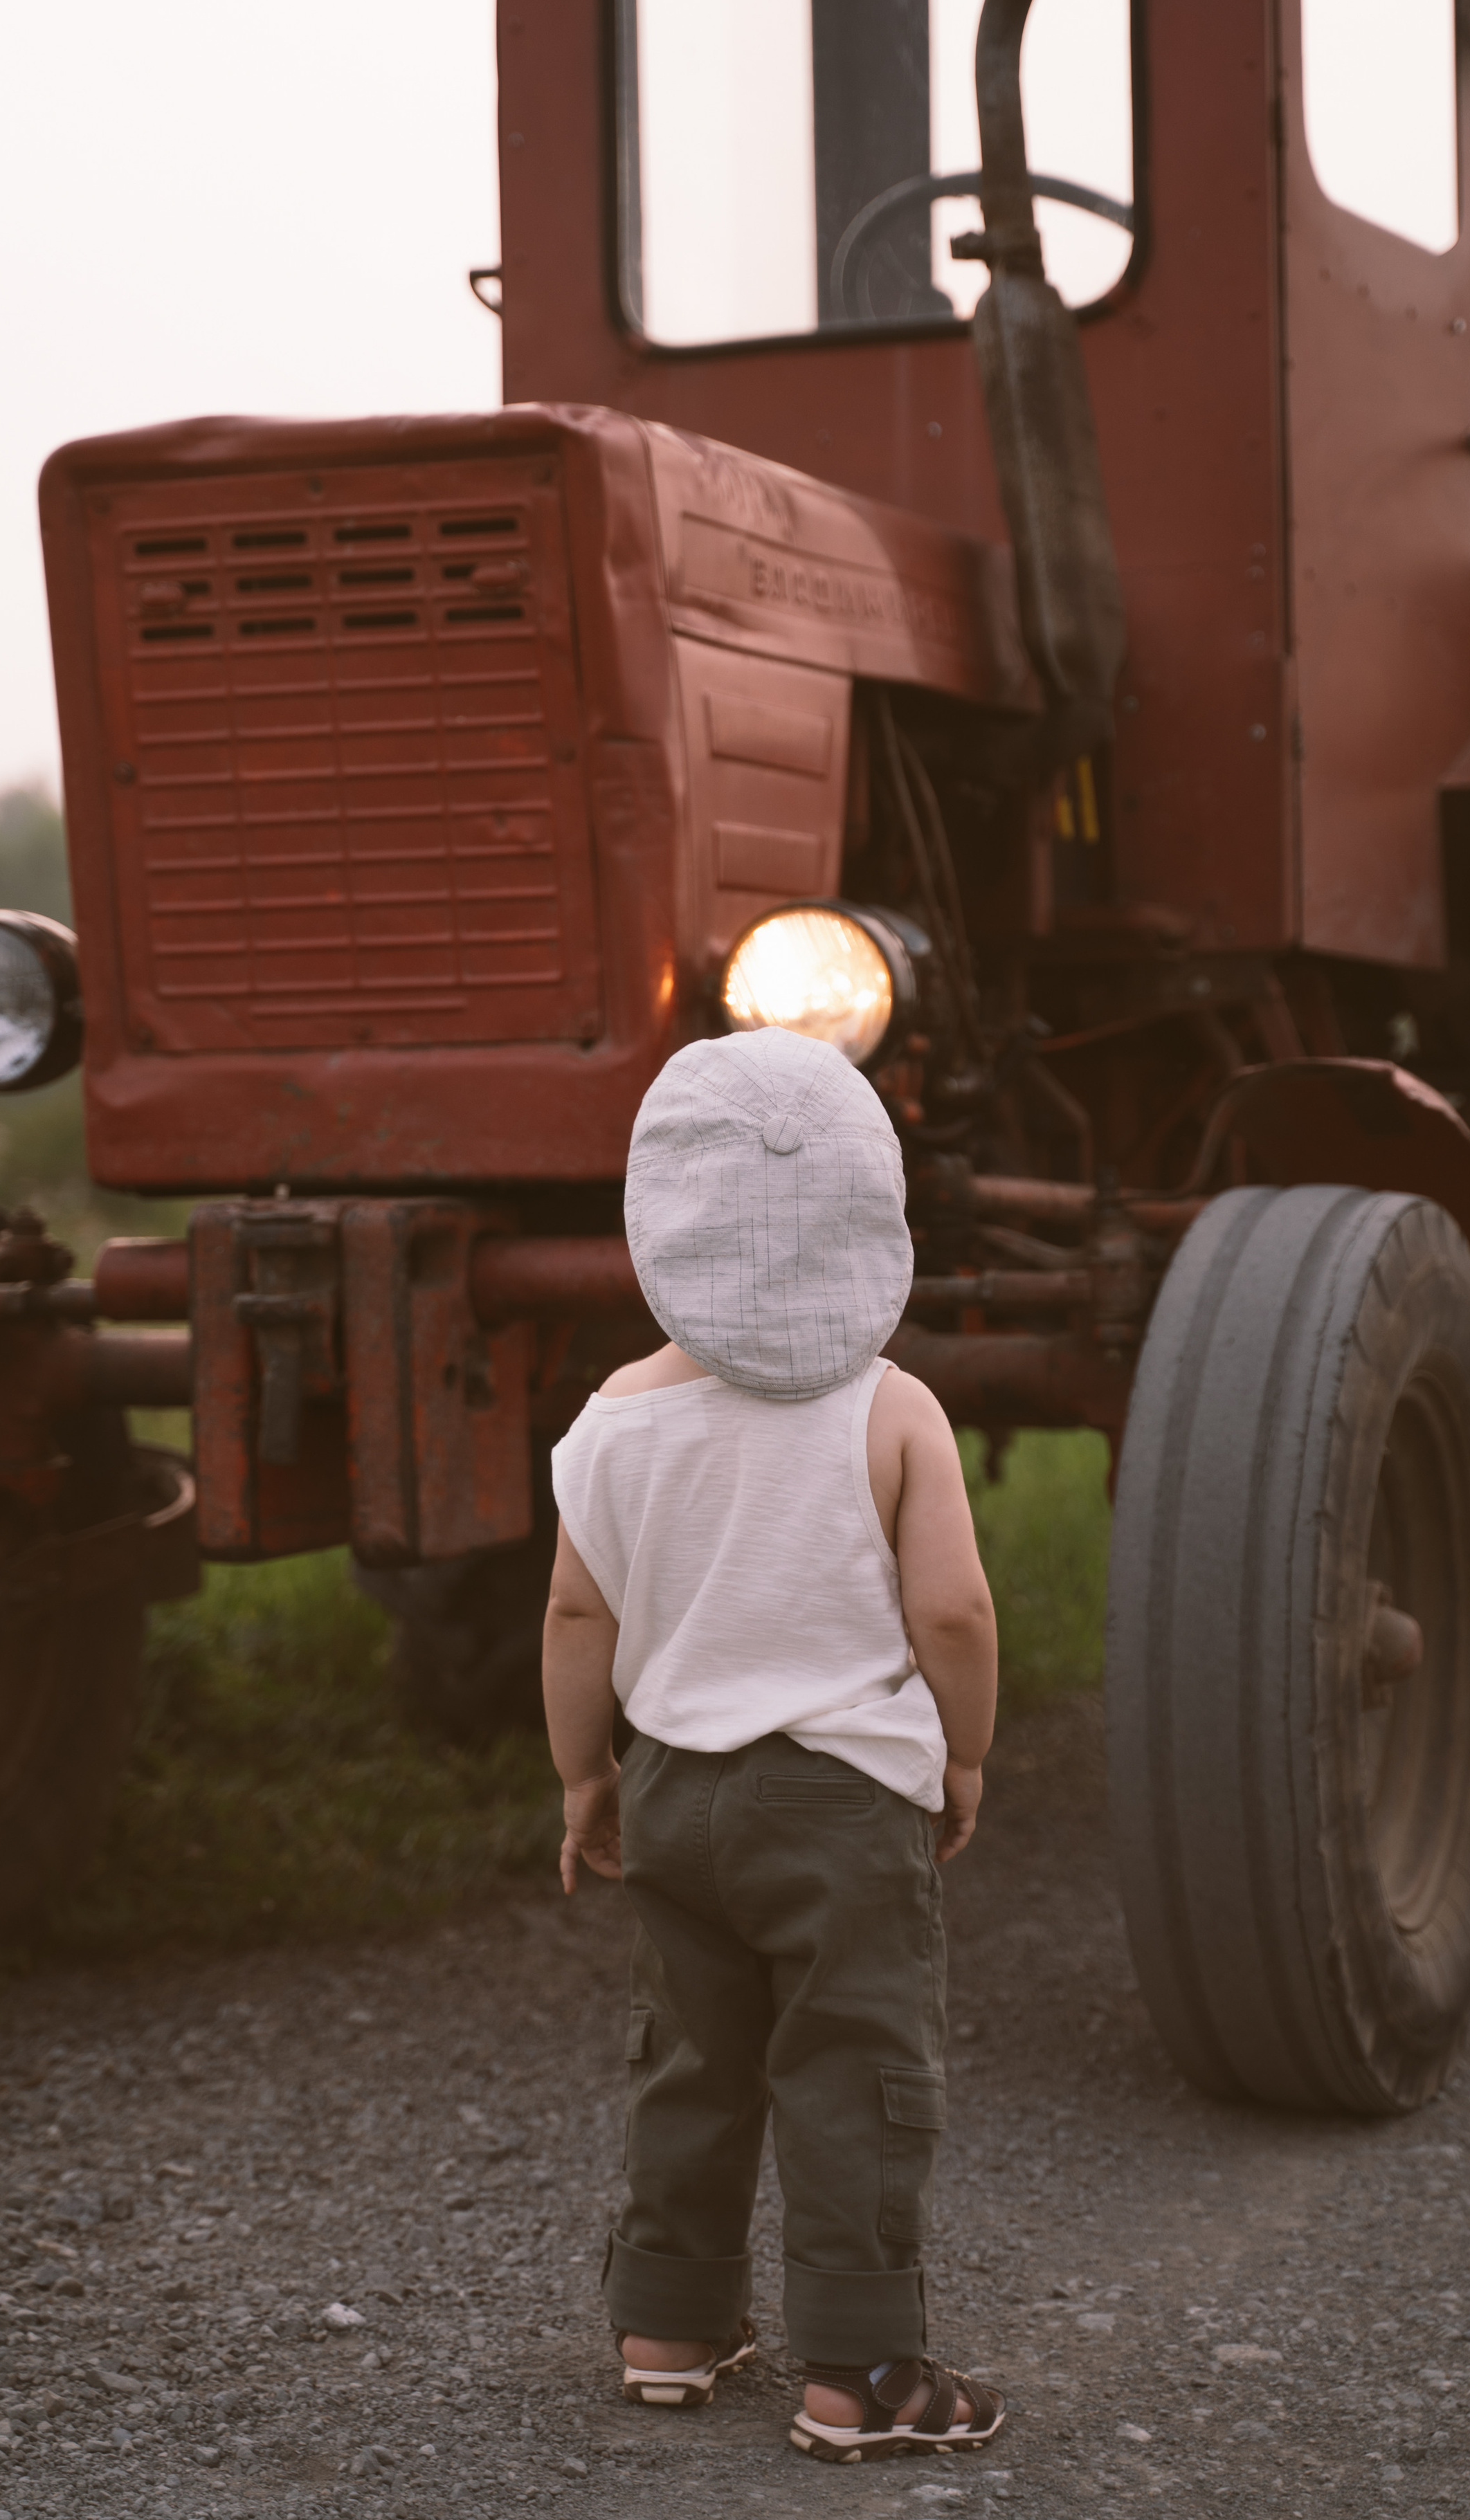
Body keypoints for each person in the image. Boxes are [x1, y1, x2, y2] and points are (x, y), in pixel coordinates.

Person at [542, 1023, 1005, 2465]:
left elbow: (573, 1614)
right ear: (870, 1211)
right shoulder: (891, 1407)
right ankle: (858, 2373)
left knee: (691, 2055)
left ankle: (668, 2327)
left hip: (673, 1794)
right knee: (851, 2069)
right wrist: (963, 1756)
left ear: (662, 1219)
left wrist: (585, 1776)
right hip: (840, 1805)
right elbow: (954, 1612)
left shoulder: (614, 1419)